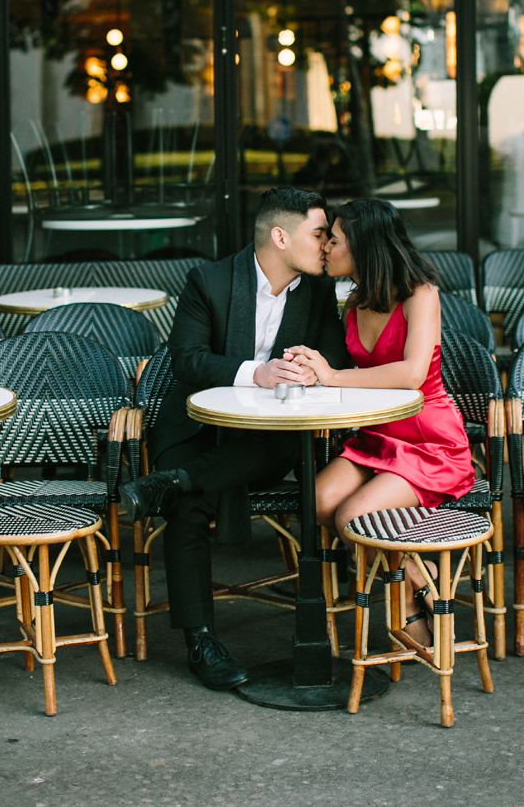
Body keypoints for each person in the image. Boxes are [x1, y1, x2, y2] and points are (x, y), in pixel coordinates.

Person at [120, 187, 350, 690]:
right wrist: (255, 373)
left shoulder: (316, 291)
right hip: (197, 427)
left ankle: (168, 484)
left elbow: (334, 359)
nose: (327, 246)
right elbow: (187, 359)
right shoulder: (210, 279)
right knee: (190, 505)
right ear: (280, 236)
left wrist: (313, 371)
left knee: (199, 482)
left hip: (267, 438)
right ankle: (200, 639)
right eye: (318, 235)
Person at [284, 198, 474, 650]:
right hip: (377, 435)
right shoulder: (352, 301)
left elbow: (411, 375)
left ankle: (410, 607)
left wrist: (331, 376)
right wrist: (311, 370)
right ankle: (419, 578)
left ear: (363, 246)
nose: (326, 246)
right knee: (317, 500)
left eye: (334, 238)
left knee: (353, 515)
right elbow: (355, 378)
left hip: (429, 440)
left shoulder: (420, 293)